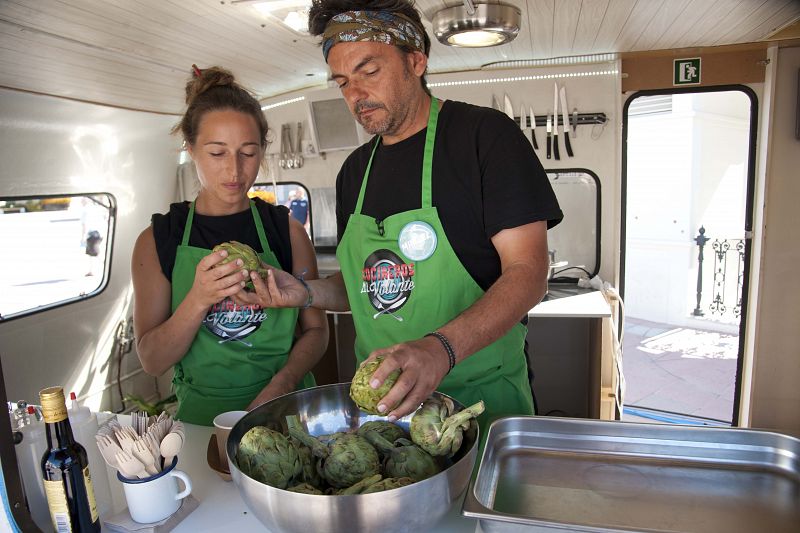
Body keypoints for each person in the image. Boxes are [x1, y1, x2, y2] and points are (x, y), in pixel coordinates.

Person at [245, 0, 563, 430]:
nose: (355, 95)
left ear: (416, 60)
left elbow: (528, 272)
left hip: (480, 405)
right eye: (342, 82)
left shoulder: (485, 139)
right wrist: (305, 292)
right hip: (383, 414)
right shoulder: (354, 172)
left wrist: (439, 350)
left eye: (368, 72)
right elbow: (363, 286)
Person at [131, 66, 328, 426]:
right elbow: (153, 360)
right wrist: (199, 298)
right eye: (217, 153)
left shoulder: (287, 231)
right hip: (203, 421)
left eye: (248, 152)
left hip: (284, 408)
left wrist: (283, 382)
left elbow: (317, 331)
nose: (235, 171)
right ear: (190, 149)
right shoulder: (158, 240)